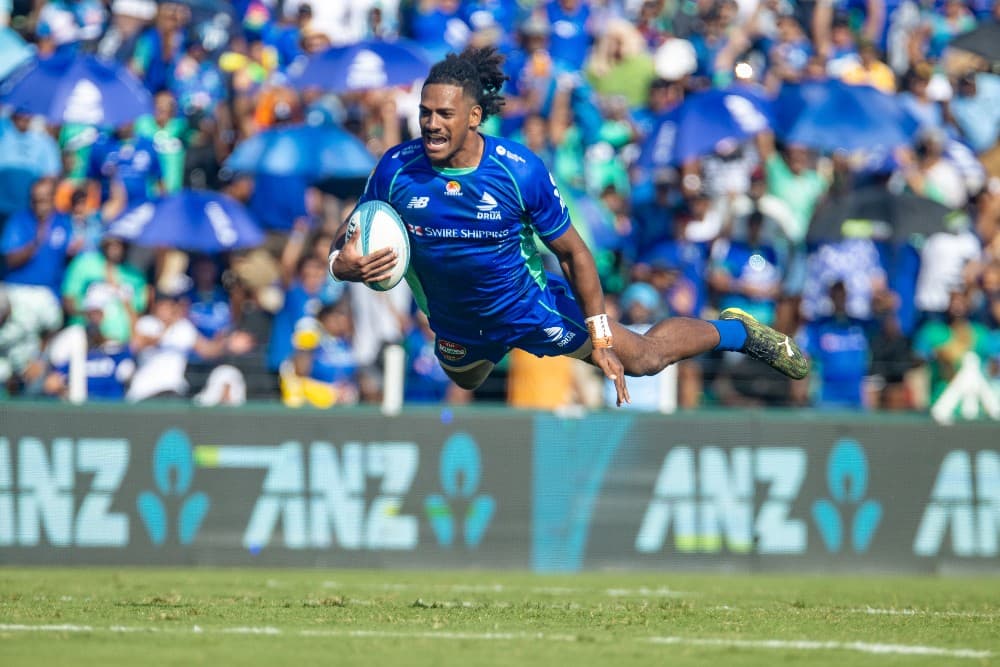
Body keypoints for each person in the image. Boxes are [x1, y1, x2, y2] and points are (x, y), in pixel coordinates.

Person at [328, 46, 809, 406]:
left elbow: (575, 253)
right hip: (456, 323)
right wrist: (341, 263)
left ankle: (740, 334)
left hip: (532, 309)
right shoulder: (395, 170)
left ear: (475, 117)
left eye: (444, 115)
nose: (431, 124)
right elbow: (351, 234)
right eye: (425, 113)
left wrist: (600, 338)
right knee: (465, 380)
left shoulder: (518, 170)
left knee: (641, 358)